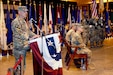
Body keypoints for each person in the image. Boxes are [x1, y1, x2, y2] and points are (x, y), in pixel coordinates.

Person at [11, 6, 39, 70]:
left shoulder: (23, 21)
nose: (26, 13)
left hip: (23, 46)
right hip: (19, 48)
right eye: (24, 11)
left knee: (23, 67)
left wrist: (36, 36)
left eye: (26, 11)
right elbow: (19, 34)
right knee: (19, 68)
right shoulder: (15, 22)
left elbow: (28, 31)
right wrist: (29, 39)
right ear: (19, 12)